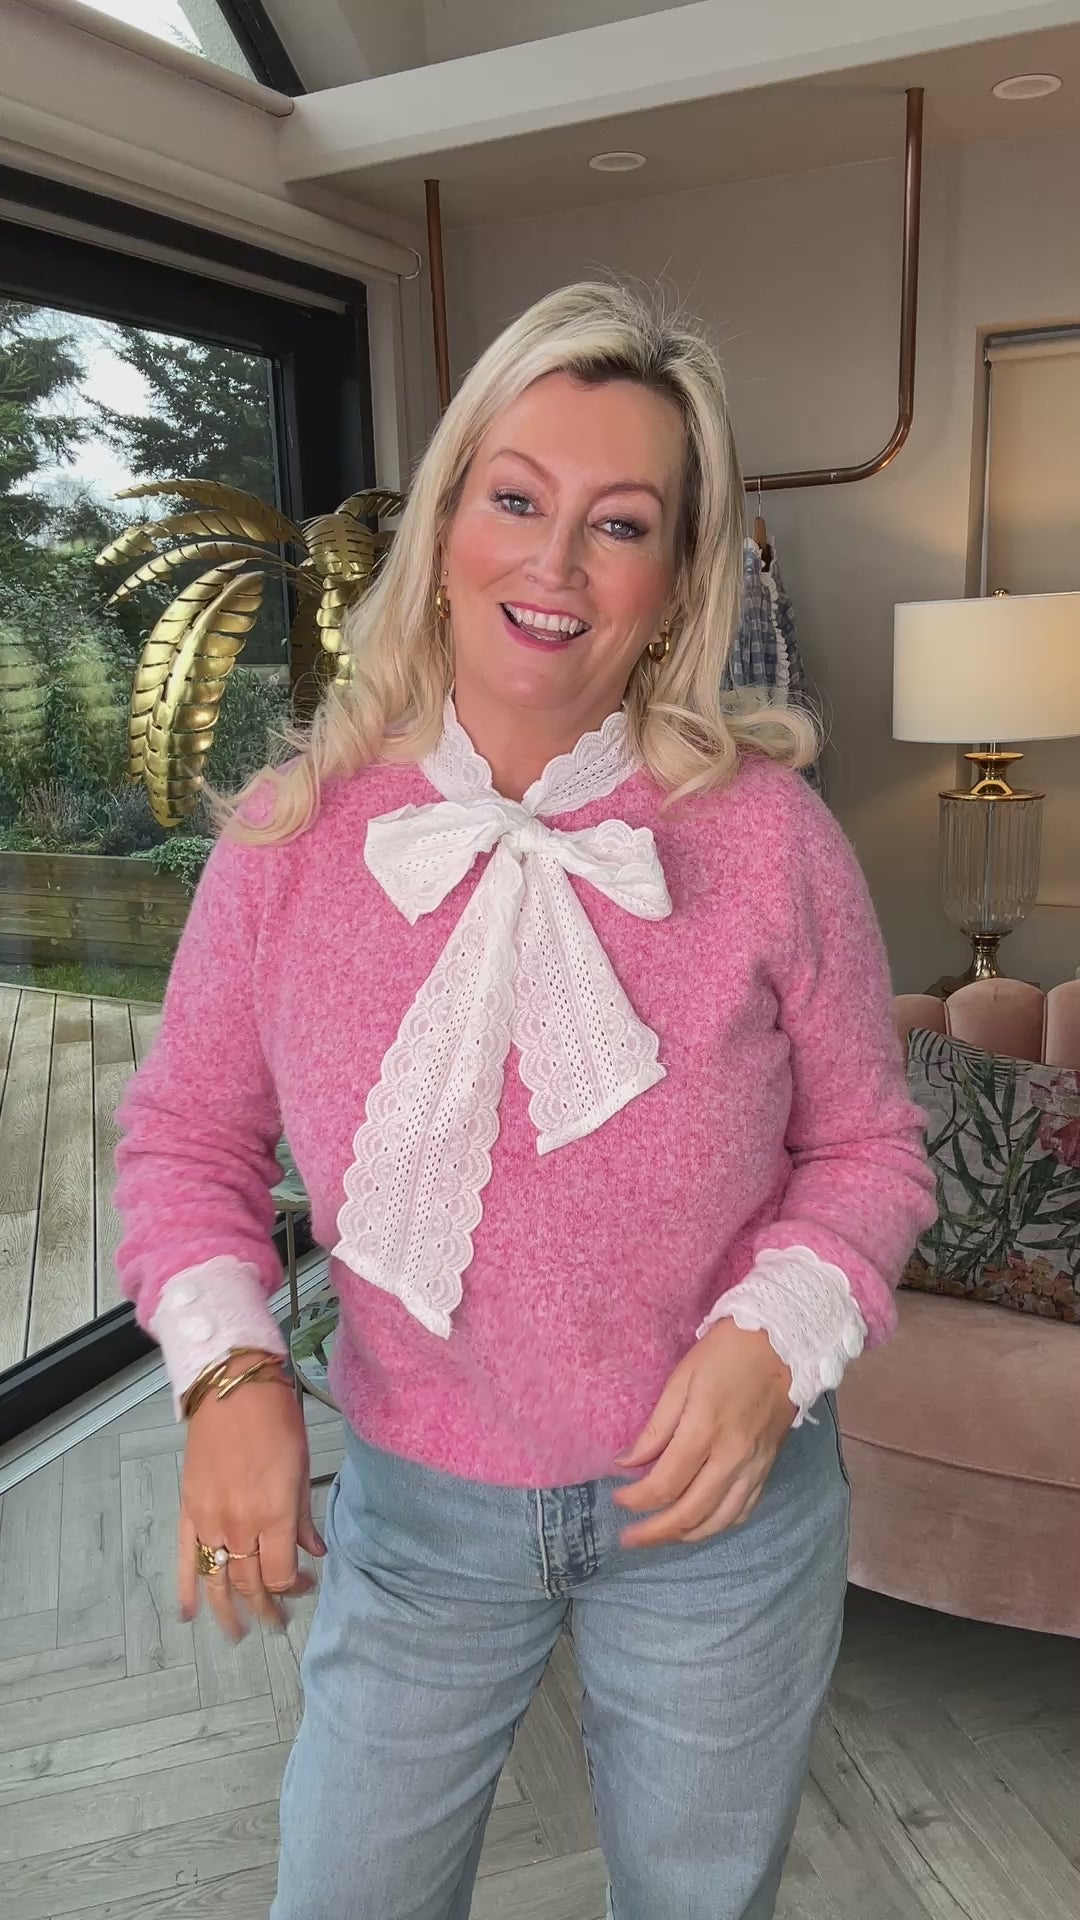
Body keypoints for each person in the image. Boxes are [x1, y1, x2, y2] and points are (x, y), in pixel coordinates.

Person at [115, 281, 935, 1920]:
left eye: (619, 523)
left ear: (674, 583)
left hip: (718, 1521)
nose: (554, 563)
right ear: (444, 525)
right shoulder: (290, 840)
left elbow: (868, 1152)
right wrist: (228, 1377)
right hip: (418, 1513)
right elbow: (186, 1141)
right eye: (515, 498)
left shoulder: (771, 841)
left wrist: (775, 1340)